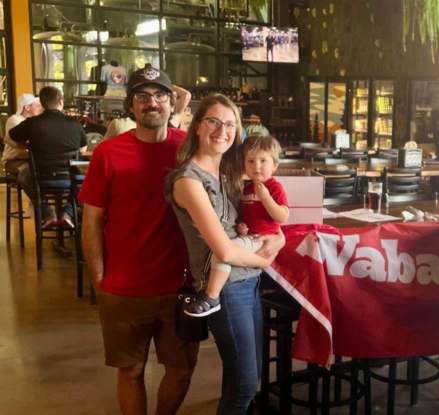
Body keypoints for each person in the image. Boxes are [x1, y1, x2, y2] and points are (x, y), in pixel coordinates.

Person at [79, 67, 196, 415]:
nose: (152, 103)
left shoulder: (186, 148)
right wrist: (100, 281)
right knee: (130, 371)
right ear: (130, 107)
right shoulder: (108, 152)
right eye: (142, 97)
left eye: (160, 95)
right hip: (123, 287)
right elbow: (92, 221)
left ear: (171, 103)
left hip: (179, 285)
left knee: (181, 369)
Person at [165, 94, 285, 414]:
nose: (223, 130)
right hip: (227, 290)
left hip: (250, 282)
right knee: (246, 383)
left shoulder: (231, 172)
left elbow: (264, 219)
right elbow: (224, 249)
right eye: (214, 121)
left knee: (246, 375)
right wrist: (267, 259)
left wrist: (280, 238)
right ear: (197, 127)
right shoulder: (188, 181)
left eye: (230, 124)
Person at [183, 134, 288, 317]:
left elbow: (282, 216)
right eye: (251, 161)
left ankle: (211, 296)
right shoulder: (245, 187)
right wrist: (242, 225)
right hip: (249, 236)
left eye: (263, 161)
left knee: (224, 252)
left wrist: (266, 198)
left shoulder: (274, 187)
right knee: (225, 251)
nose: (256, 166)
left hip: (260, 239)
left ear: (275, 166)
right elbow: (244, 215)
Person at [10, 86, 86, 228]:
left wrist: (25, 146)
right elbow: (83, 149)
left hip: (41, 178)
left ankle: (47, 212)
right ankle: (68, 212)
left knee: (23, 176)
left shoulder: (32, 123)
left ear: (42, 104)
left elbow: (11, 136)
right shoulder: (75, 124)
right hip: (69, 178)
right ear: (61, 102)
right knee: (89, 180)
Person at [2, 94, 42, 174]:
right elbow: (23, 142)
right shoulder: (14, 119)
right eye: (37, 106)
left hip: (30, 160)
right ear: (27, 107)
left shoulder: (34, 121)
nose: (40, 108)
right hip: (14, 160)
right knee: (32, 172)